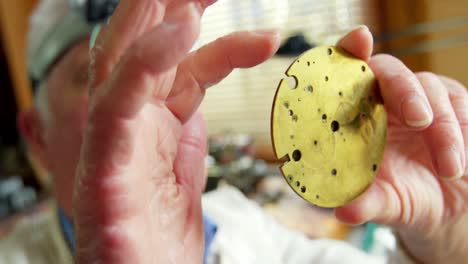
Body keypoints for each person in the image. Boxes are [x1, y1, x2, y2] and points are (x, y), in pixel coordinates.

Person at [2, 0, 467, 263]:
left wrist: (446, 231)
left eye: (162, 66)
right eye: (96, 77)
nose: (143, 103)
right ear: (37, 135)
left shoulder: (246, 225)